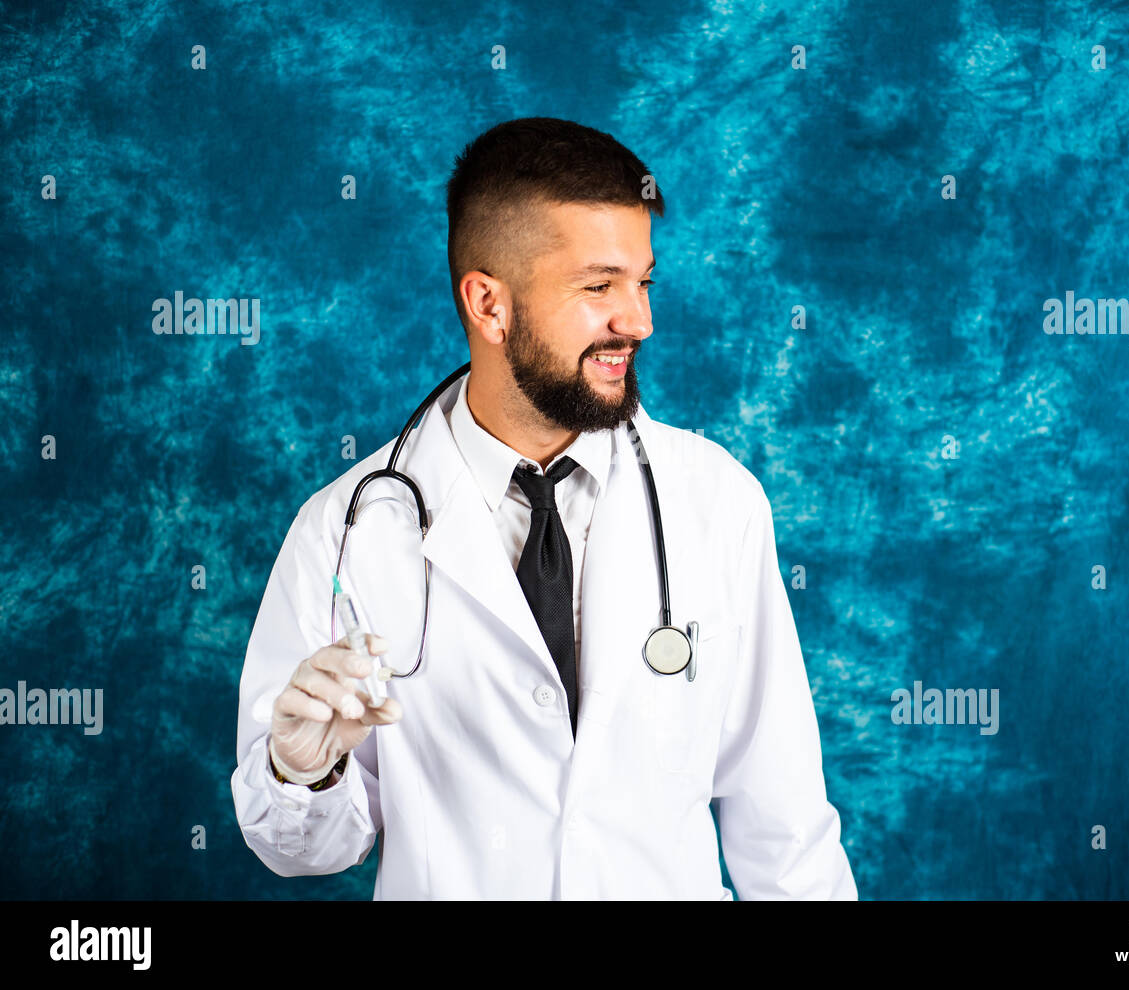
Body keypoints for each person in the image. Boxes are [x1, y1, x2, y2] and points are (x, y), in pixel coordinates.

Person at [230, 117, 857, 900]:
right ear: (489, 305)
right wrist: (301, 768)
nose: (639, 321)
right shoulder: (348, 529)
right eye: (599, 287)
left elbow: (785, 829)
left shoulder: (718, 501)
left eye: (644, 282)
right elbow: (303, 851)